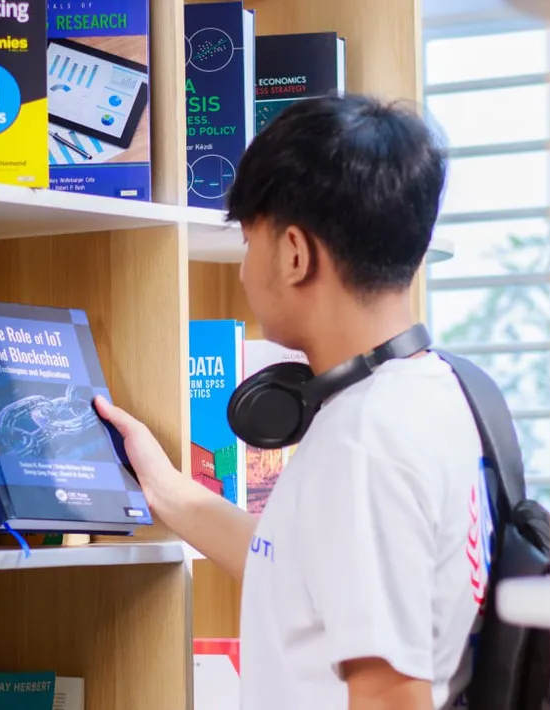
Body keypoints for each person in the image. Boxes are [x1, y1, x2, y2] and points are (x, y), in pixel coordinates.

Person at [93, 94, 490, 710]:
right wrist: (164, 487)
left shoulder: (366, 438)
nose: (244, 270)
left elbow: (391, 695)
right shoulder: (439, 390)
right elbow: (300, 578)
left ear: (295, 254)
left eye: (249, 240)